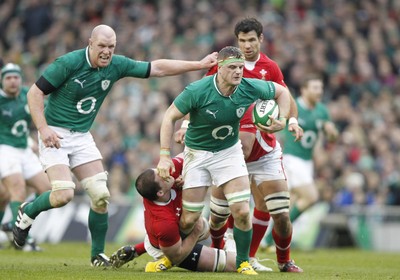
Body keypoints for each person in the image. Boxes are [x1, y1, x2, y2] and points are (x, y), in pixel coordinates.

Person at [13, 24, 218, 267]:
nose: (107, 52)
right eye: (102, 46)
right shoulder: (67, 63)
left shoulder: (116, 65)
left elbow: (158, 68)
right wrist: (43, 128)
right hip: (54, 132)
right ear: (90, 42)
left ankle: (96, 256)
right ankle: (28, 211)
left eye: (111, 47)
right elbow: (34, 94)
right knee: (64, 194)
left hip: (81, 136)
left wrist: (199, 64)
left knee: (101, 195)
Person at [175, 18, 303, 272]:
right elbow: (200, 98)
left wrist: (291, 120)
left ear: (261, 40)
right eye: (242, 40)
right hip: (229, 152)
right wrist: (186, 125)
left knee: (281, 212)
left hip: (265, 151)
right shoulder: (224, 66)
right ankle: (222, 254)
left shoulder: (270, 68)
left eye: (251, 40)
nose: (246, 45)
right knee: (220, 215)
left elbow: (284, 94)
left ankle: (282, 260)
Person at [109, 154, 237, 272]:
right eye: (161, 175)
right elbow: (177, 255)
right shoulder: (163, 223)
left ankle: (137, 249)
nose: (165, 173)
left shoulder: (163, 181)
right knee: (234, 264)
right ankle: (163, 261)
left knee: (209, 224)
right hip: (167, 248)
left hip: (175, 229)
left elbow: (190, 155)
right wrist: (195, 233)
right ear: (160, 193)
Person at [0, 63, 51, 251]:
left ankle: (14, 221)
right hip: (4, 149)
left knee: (46, 188)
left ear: (20, 79)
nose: (13, 81)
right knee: (17, 189)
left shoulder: (27, 94)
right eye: (8, 78)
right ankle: (20, 239)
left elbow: (47, 109)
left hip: (24, 149)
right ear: (2, 81)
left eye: (16, 77)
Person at [280, 73, 338, 229]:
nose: (319, 91)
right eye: (315, 88)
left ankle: (270, 240)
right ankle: (275, 235)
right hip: (292, 158)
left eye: (320, 88)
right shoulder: (294, 106)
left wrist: (332, 133)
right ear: (304, 90)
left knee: (290, 202)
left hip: (307, 161)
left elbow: (332, 138)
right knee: (311, 197)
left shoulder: (322, 111)